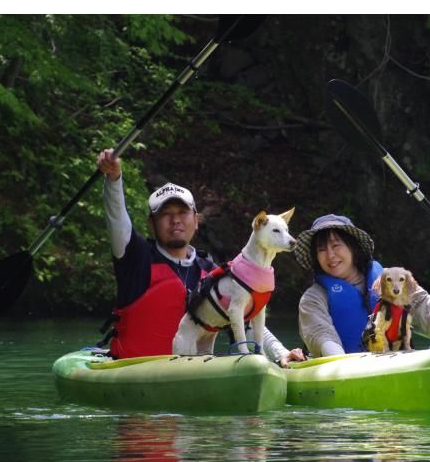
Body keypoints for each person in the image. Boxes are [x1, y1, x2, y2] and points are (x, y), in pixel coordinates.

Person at [97, 149, 304, 366]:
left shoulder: (212, 270)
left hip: (190, 371)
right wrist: (114, 179)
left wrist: (280, 353)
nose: (175, 220)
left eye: (182, 213)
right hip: (134, 370)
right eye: (166, 214)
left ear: (196, 220)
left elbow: (249, 315)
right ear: (152, 223)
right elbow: (117, 218)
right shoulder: (134, 257)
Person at [293, 213, 430, 357]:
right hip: (345, 369)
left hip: (393, 365)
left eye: (336, 246)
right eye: (321, 249)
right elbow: (323, 338)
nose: (330, 255)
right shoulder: (312, 299)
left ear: (352, 247)